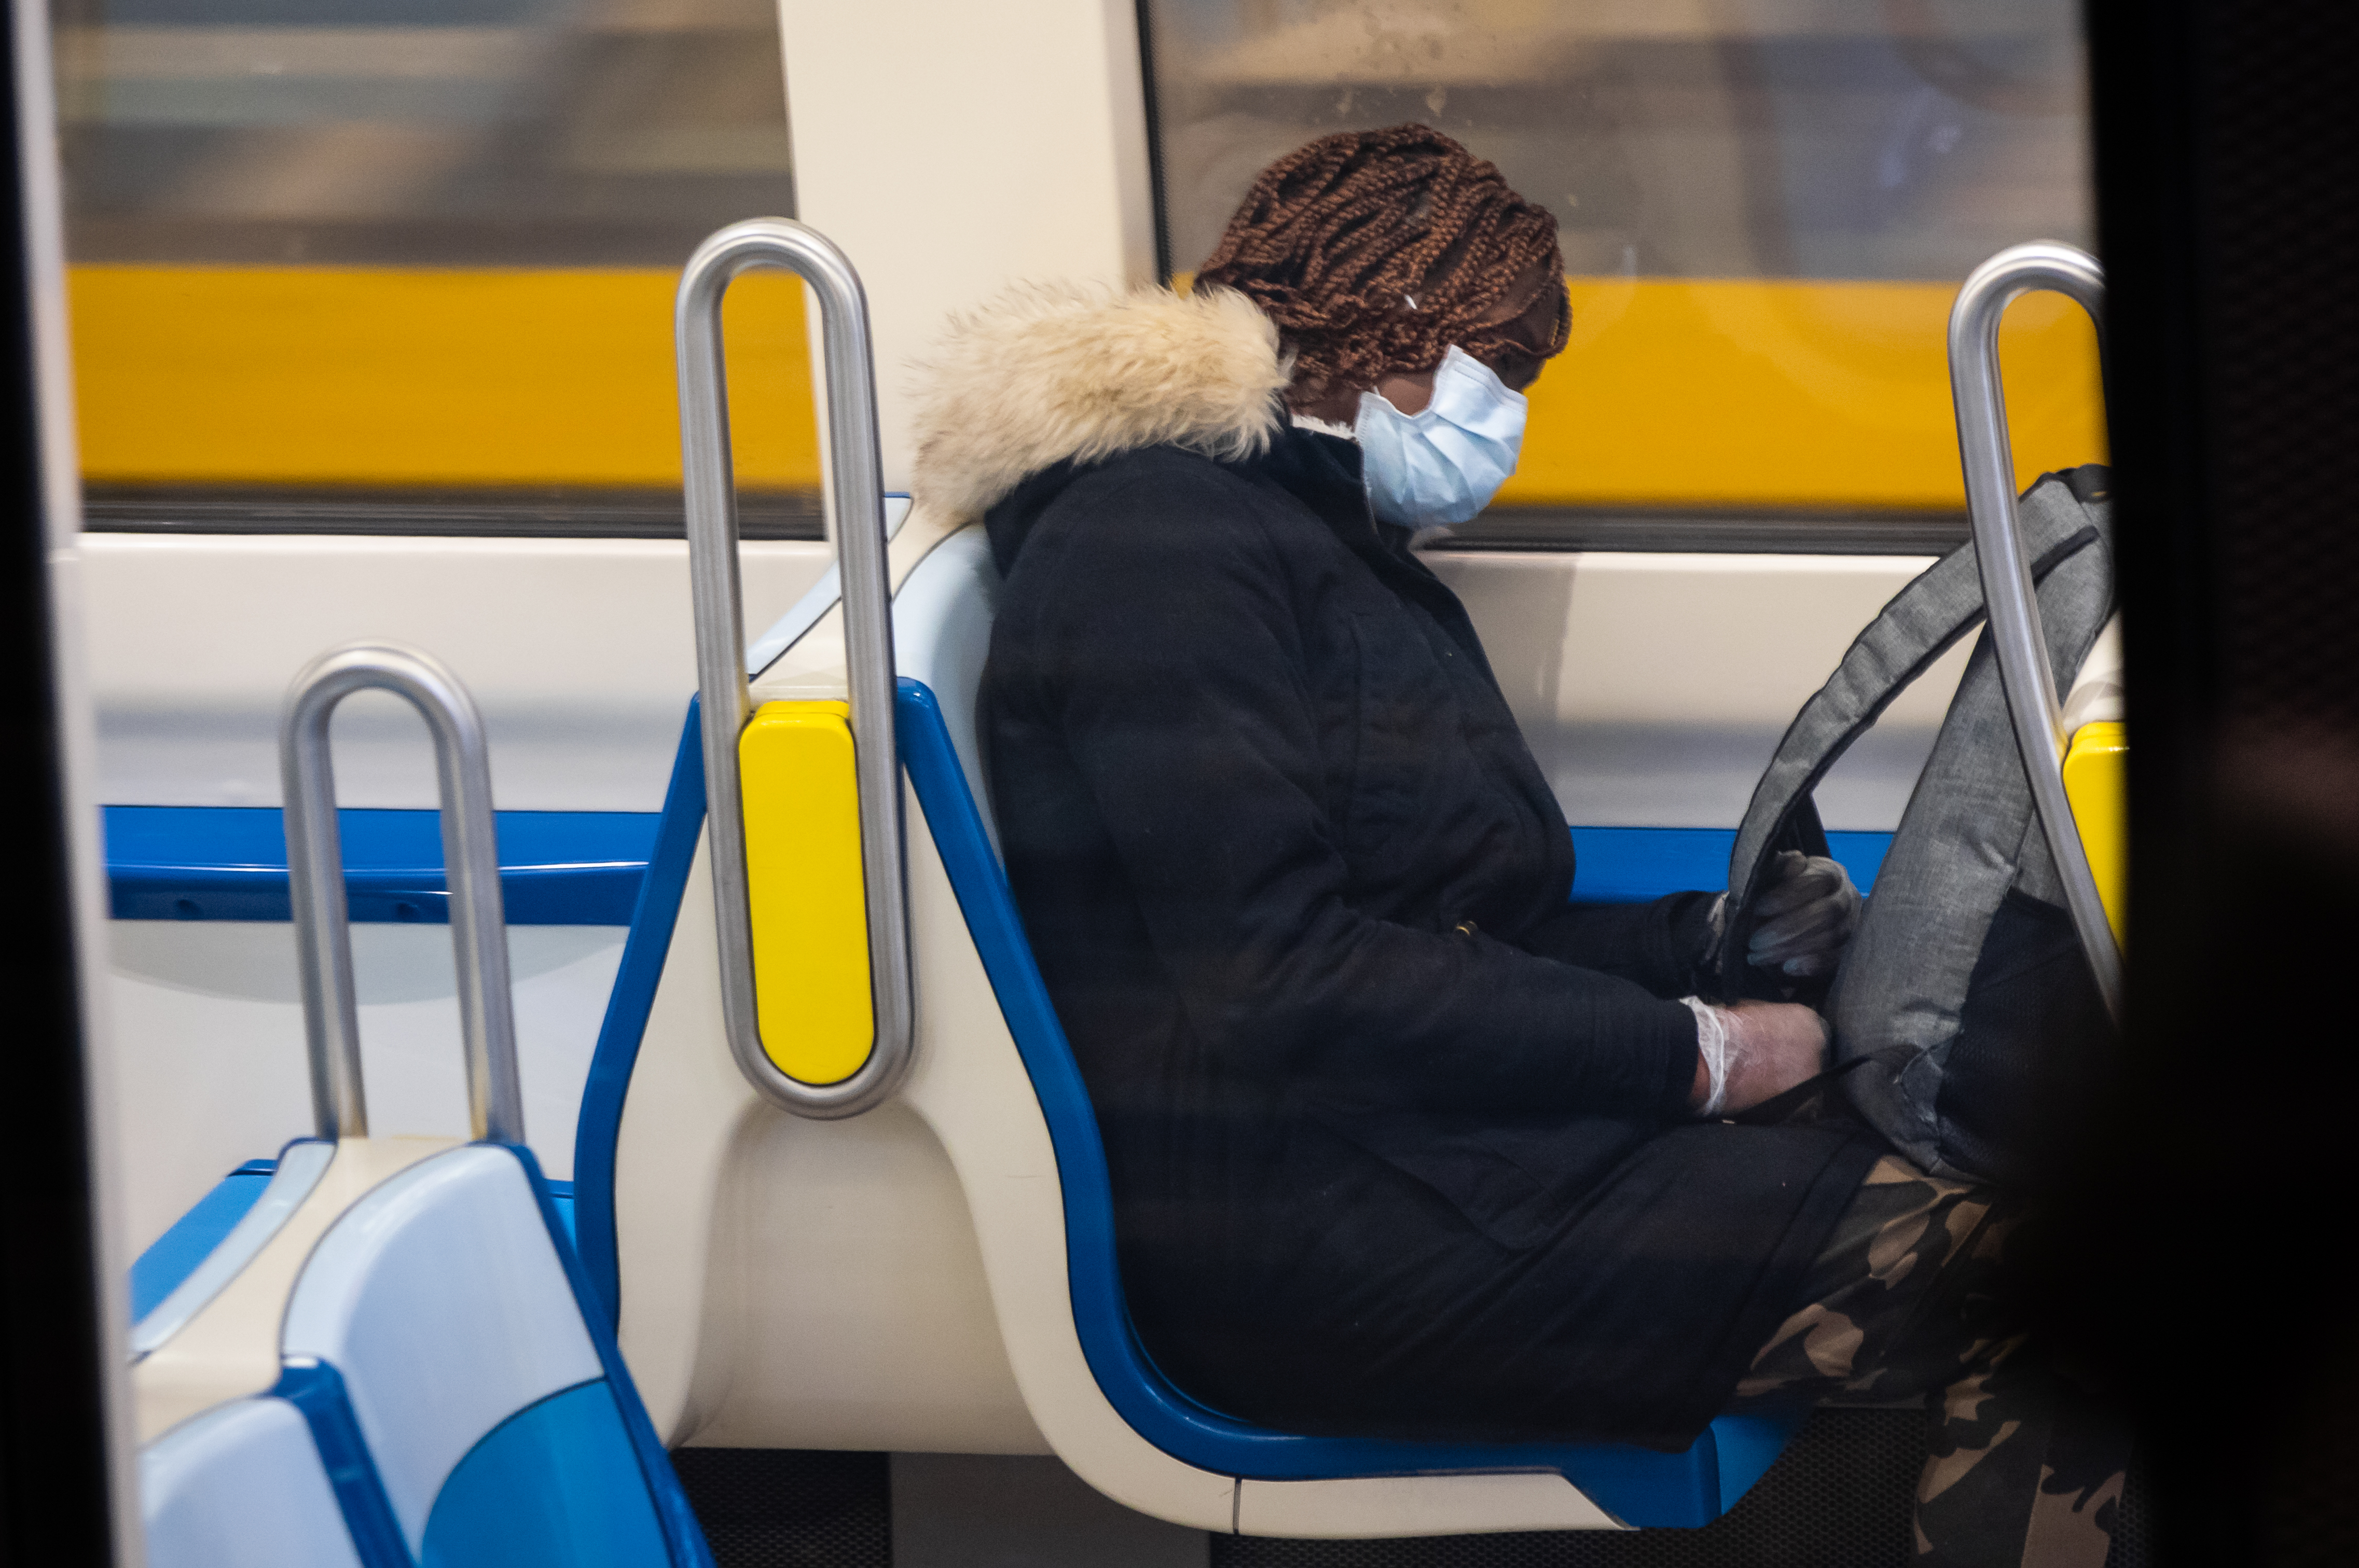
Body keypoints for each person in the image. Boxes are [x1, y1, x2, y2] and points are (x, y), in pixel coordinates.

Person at [910, 123, 2128, 1565]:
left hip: (1429, 1157)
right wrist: (1700, 1052)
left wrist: (1712, 944)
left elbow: (1451, 918)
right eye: (1510, 369)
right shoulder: (1156, 557)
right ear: (1395, 332)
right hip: (1314, 1238)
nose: (1513, 414)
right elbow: (1283, 978)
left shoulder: (1293, 533)